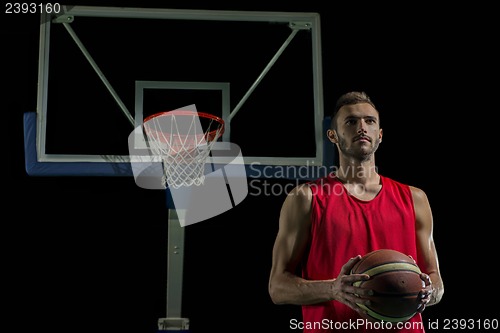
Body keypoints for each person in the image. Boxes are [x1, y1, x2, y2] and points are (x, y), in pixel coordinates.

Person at [268, 91, 444, 332]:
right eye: (351, 121)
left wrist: (427, 291)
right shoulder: (306, 198)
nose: (362, 127)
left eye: (370, 121)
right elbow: (277, 287)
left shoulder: (415, 198)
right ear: (333, 135)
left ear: (380, 135)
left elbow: (436, 282)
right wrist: (333, 289)